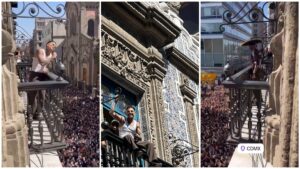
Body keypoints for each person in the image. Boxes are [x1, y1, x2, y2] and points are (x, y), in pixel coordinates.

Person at [109, 98, 162, 167]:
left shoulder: (136, 124)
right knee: (128, 136)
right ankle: (136, 151)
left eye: (132, 111)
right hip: (124, 140)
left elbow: (139, 136)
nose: (130, 112)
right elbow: (111, 113)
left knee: (149, 144)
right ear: (126, 113)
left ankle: (154, 162)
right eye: (128, 111)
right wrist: (114, 102)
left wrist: (138, 137)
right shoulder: (122, 119)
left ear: (134, 113)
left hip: (133, 142)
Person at [28, 41, 57, 117]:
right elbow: (42, 62)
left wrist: (46, 69)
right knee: (33, 95)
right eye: (53, 45)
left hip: (42, 75)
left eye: (55, 46)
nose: (54, 47)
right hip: (35, 75)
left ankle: (38, 114)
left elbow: (46, 65)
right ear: (47, 45)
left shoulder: (50, 55)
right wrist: (52, 58)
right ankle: (31, 114)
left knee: (42, 96)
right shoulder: (40, 50)